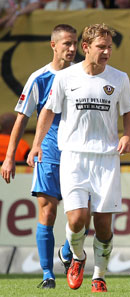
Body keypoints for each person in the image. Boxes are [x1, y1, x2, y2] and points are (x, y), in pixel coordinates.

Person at [27, 23, 130, 292]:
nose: (107, 52)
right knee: (76, 220)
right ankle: (77, 257)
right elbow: (48, 111)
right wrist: (36, 144)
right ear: (86, 48)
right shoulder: (65, 78)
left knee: (102, 225)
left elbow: (129, 111)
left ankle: (99, 275)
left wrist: (127, 135)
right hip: (73, 157)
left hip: (106, 159)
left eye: (110, 47)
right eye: (101, 47)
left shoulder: (119, 78)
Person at [0, 24, 78, 289]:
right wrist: (10, 157)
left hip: (78, 153)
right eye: (67, 43)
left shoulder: (83, 75)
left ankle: (67, 252)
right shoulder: (40, 77)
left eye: (75, 43)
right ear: (53, 45)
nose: (72, 48)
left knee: (84, 213)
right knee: (47, 211)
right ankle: (47, 274)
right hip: (49, 151)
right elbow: (21, 118)